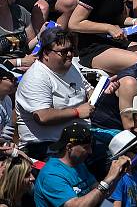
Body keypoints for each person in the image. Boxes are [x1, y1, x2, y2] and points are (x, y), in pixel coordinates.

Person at [15, 27, 90, 159]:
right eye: (64, 51)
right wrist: (77, 112)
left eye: (71, 50)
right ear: (45, 54)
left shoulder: (71, 67)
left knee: (121, 142)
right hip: (45, 145)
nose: (69, 55)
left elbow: (88, 89)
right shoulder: (36, 77)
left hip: (77, 137)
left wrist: (104, 88)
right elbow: (43, 116)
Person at [32, 122, 130, 207]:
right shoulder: (52, 175)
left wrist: (116, 177)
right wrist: (107, 179)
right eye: (86, 147)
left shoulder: (78, 164)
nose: (90, 152)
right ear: (69, 147)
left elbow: (100, 194)